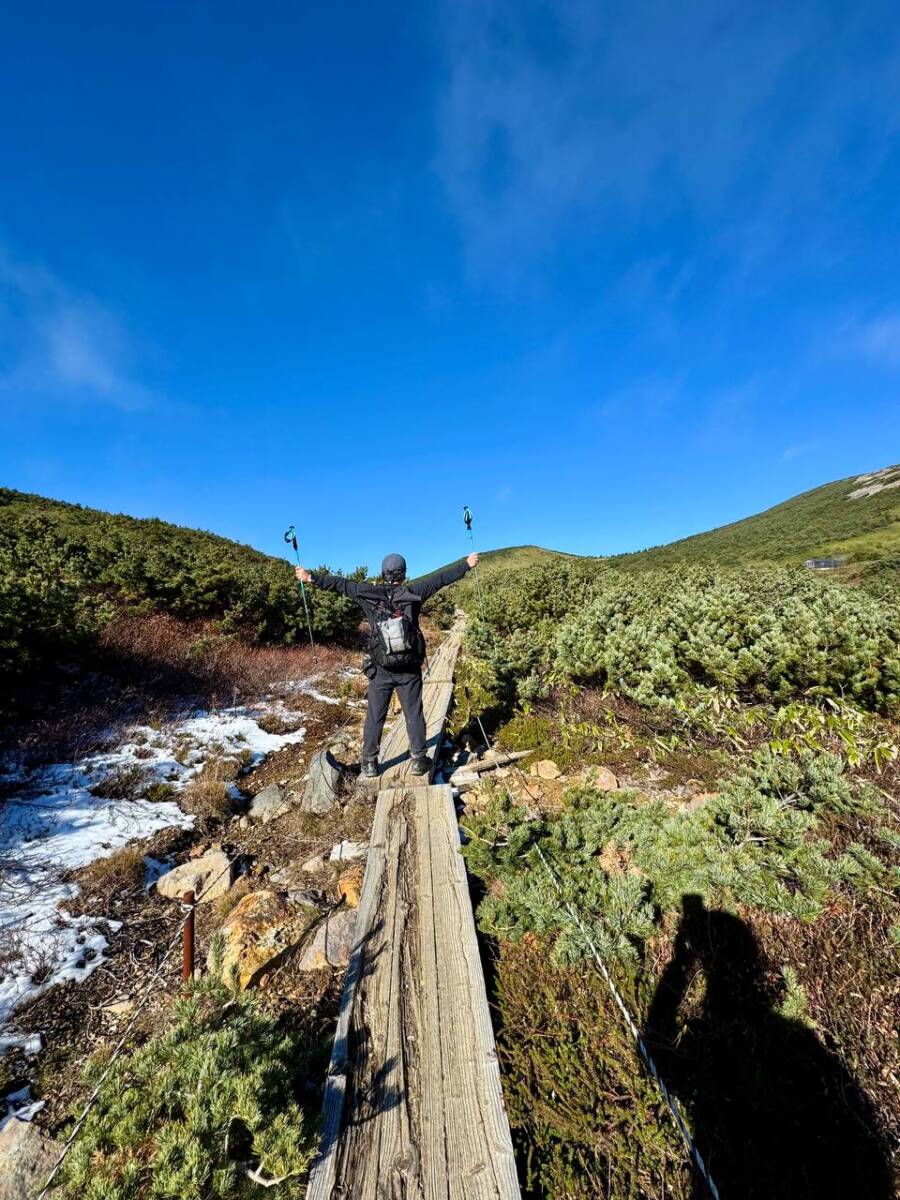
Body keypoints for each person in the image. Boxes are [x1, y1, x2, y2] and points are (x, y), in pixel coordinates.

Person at [295, 552, 477, 778]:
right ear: (404, 574)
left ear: (383, 573)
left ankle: (370, 763)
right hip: (409, 669)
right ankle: (419, 760)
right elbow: (440, 579)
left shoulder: (367, 593)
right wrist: (466, 565)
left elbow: (340, 585)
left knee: (375, 716)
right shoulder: (415, 592)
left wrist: (310, 577)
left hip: (381, 669)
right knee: (414, 713)